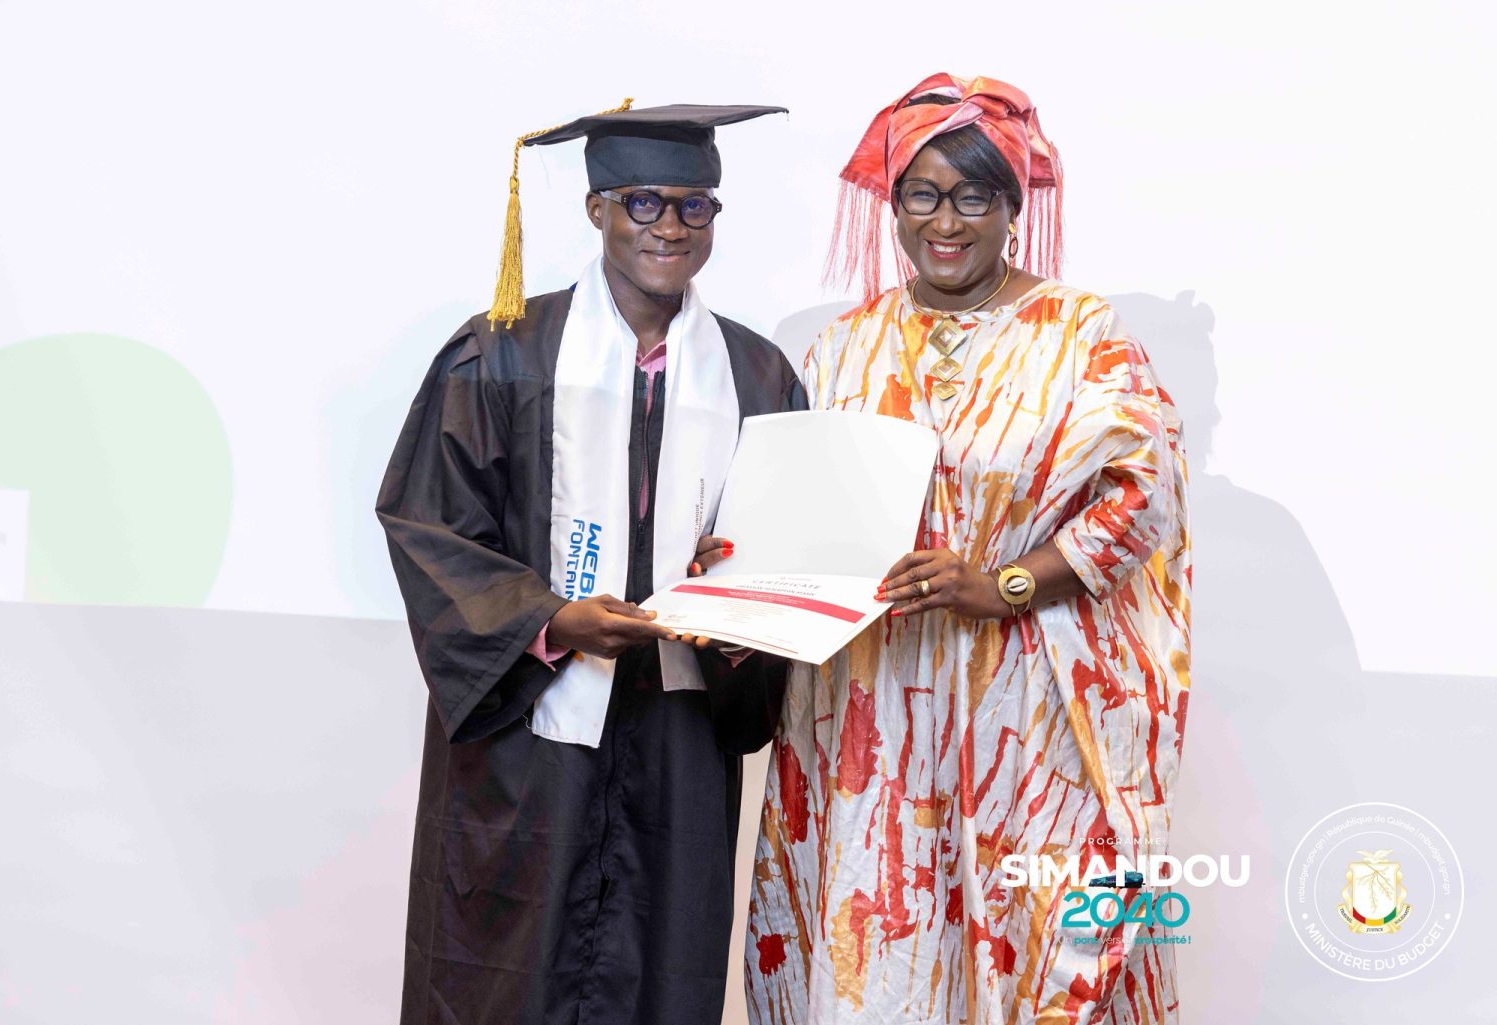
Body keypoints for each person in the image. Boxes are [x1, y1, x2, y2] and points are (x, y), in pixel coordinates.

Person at [745, 74, 1191, 1024]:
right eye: (922, 194)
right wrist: (743, 560)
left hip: (1021, 709)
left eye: (973, 196)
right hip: (872, 713)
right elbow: (803, 505)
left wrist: (1004, 584)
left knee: (1035, 950)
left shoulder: (1081, 337)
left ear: (1014, 206)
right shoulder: (843, 347)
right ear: (893, 204)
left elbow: (1143, 495)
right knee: (884, 937)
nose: (945, 222)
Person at [377, 101, 802, 1025]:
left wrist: (735, 602)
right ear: (596, 209)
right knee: (506, 976)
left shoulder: (758, 375)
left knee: (660, 970)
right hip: (530, 741)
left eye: (694, 206)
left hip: (677, 736)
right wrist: (549, 619)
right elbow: (429, 523)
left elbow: (784, 551)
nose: (670, 227)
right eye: (644, 202)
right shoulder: (501, 352)